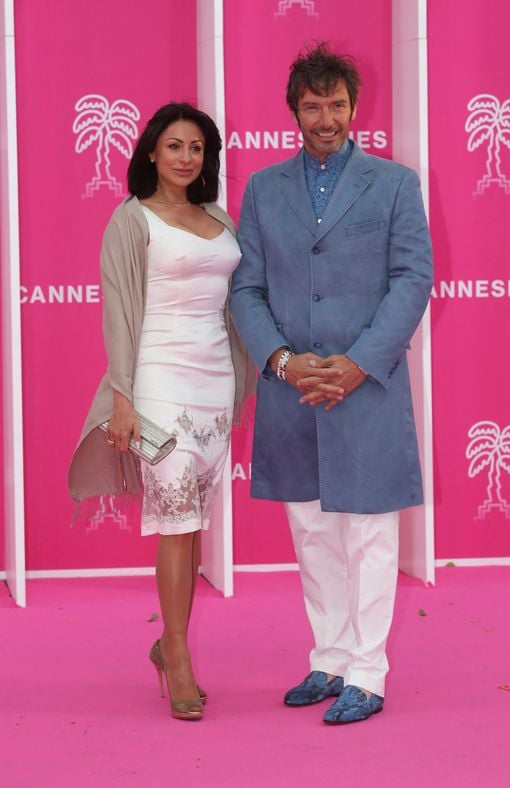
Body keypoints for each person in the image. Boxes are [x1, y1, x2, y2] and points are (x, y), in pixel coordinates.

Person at [230, 43, 433, 725]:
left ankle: (368, 673)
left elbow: (413, 279)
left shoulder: (396, 184)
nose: (326, 117)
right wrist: (283, 362)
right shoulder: (262, 189)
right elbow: (247, 288)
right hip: (293, 390)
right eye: (312, 105)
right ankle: (331, 657)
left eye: (336, 104)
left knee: (370, 533)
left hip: (366, 386)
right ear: (294, 111)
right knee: (312, 529)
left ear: (354, 105)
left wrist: (358, 362)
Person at [68, 102, 254, 721]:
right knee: (173, 516)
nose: (185, 157)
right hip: (155, 385)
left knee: (192, 521)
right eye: (174, 146)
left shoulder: (218, 219)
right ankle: (176, 655)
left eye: (196, 148)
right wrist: (123, 396)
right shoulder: (131, 219)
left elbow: (238, 303)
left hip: (214, 386)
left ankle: (166, 643)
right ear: (152, 151)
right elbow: (117, 312)